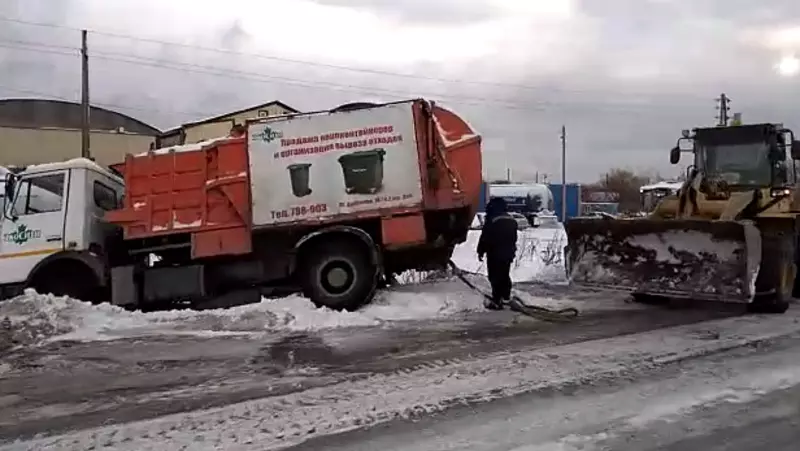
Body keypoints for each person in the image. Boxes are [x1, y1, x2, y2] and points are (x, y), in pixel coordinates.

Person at [476, 198, 519, 310]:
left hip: (495, 253)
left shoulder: (492, 219)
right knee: (504, 274)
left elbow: (485, 237)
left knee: (495, 276)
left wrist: (480, 251)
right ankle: (506, 296)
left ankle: (497, 299)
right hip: (508, 253)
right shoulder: (511, 220)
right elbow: (514, 238)